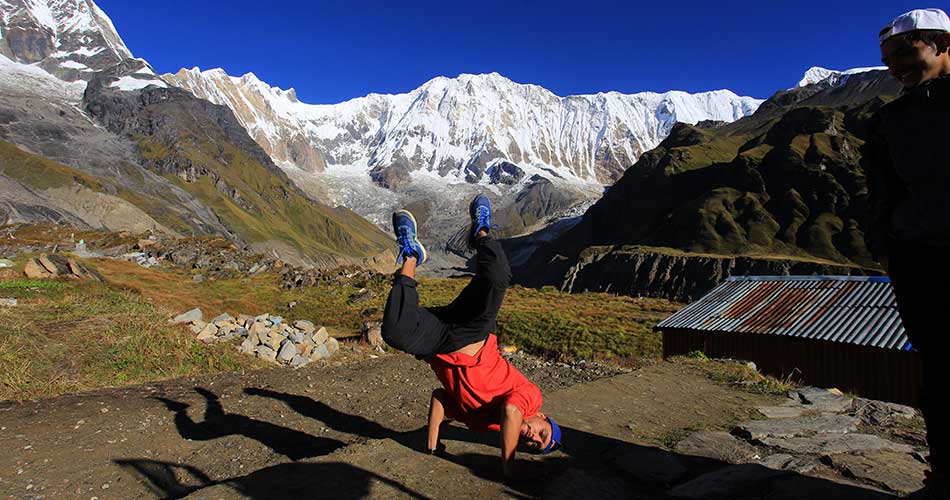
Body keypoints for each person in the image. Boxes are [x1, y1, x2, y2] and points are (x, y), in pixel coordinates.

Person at [381, 195, 562, 478]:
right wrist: (508, 465)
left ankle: (411, 254)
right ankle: (481, 231)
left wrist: (431, 444)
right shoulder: (531, 399)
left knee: (394, 331)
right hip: (473, 331)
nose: (534, 438)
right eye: (542, 433)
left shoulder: (484, 424)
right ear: (542, 417)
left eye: (535, 445)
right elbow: (513, 411)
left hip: (439, 346)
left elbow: (441, 397)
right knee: (498, 277)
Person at [865, 8, 950, 499]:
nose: (896, 66)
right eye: (888, 59)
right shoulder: (890, 120)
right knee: (938, 373)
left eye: (905, 53)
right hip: (919, 260)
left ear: (940, 44)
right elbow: (882, 192)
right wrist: (887, 251)